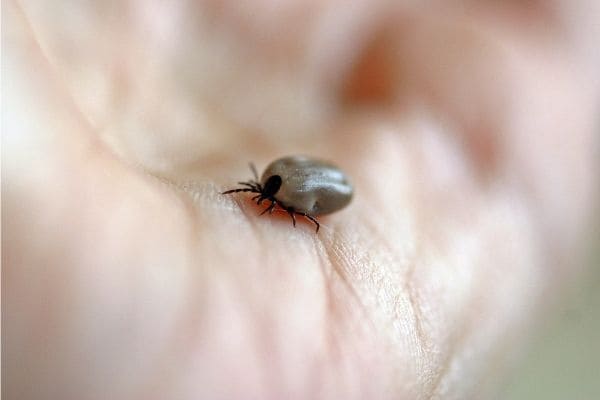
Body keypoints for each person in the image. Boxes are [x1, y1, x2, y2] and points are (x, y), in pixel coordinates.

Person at [3, 1, 598, 398]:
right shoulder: (280, 187)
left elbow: (297, 192)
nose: (259, 200)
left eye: (263, 195)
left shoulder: (284, 185)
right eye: (264, 194)